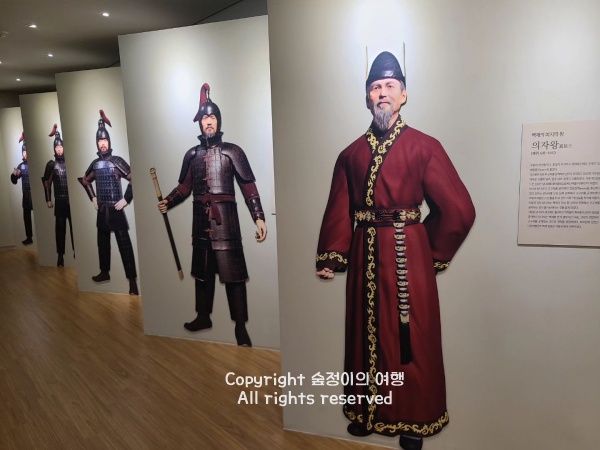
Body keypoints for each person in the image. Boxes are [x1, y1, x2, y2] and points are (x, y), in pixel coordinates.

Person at [315, 51, 476, 450]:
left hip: (407, 258)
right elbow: (340, 208)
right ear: (367, 98)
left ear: (404, 95)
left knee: (410, 340)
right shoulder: (350, 155)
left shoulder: (424, 147)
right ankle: (366, 412)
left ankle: (412, 421)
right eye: (375, 87)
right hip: (364, 252)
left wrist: (427, 253)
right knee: (364, 334)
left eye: (390, 86)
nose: (382, 93)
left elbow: (458, 209)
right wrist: (332, 255)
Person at [158, 83, 266, 347]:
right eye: (205, 118)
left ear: (219, 121)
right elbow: (184, 188)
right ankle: (203, 317)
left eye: (213, 117)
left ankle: (240, 327)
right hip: (200, 222)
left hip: (226, 222)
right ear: (200, 122)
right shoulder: (192, 155)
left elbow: (248, 186)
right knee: (202, 274)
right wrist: (168, 201)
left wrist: (259, 217)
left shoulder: (233, 151)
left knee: (235, 277)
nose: (209, 121)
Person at [78, 110, 139, 295]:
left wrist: (126, 199)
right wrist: (93, 197)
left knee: (125, 246)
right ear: (97, 143)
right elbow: (84, 180)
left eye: (105, 140)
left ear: (109, 142)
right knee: (102, 244)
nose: (102, 144)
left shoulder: (117, 161)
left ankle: (132, 282)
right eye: (100, 141)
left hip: (115, 208)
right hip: (102, 209)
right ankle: (104, 272)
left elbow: (134, 177)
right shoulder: (95, 164)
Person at [43, 124, 74, 266]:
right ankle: (60, 255)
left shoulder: (70, 162)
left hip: (71, 201)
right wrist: (48, 199)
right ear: (54, 149)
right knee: (60, 230)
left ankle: (76, 251)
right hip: (60, 201)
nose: (59, 149)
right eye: (57, 147)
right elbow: (47, 183)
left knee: (74, 228)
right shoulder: (51, 164)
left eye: (61, 147)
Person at [10, 133, 33, 246]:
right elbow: (14, 181)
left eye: (26, 151)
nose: (25, 154)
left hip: (34, 194)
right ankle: (29, 237)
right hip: (26, 194)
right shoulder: (21, 166)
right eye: (23, 152)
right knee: (26, 217)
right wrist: (14, 174)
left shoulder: (34, 164)